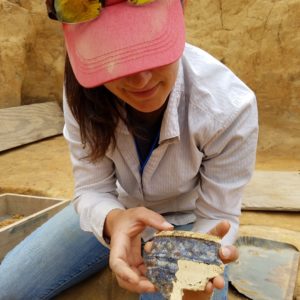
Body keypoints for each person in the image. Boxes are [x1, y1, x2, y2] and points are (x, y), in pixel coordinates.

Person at [0, 0, 258, 299]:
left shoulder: (230, 107)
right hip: (118, 207)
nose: (140, 79)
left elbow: (217, 213)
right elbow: (92, 189)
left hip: (190, 222)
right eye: (113, 58)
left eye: (151, 48)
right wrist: (112, 220)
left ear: (181, 12)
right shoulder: (81, 93)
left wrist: (197, 262)